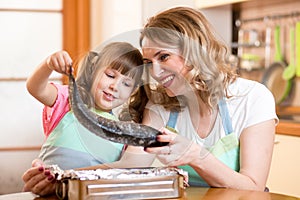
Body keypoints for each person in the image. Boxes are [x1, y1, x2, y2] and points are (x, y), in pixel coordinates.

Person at [138, 6, 278, 191]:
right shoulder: (160, 106)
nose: (155, 73)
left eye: (164, 57)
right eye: (149, 63)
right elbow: (132, 164)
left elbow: (254, 187)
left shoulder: (252, 98)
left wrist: (196, 156)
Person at [22, 42, 148, 195]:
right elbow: (35, 88)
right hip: (45, 192)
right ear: (94, 71)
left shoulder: (125, 131)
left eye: (126, 84)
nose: (115, 86)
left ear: (133, 91)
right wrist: (48, 64)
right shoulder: (68, 101)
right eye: (110, 75)